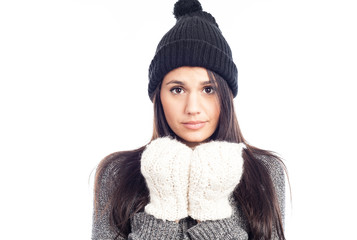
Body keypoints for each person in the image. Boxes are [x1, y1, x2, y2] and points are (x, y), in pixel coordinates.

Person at [92, 0, 288, 239]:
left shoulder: (264, 171)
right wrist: (163, 212)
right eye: (177, 90)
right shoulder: (117, 172)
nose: (193, 108)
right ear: (158, 97)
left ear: (226, 96)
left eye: (208, 89)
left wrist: (212, 211)